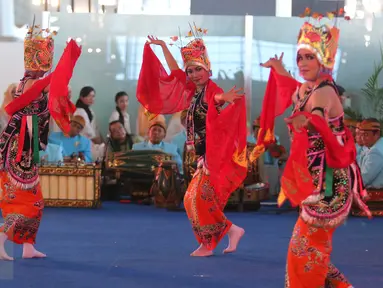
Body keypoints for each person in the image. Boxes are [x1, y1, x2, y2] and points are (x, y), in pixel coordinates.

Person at [252, 10, 371, 287]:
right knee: (311, 244)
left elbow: (317, 113)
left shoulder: (323, 92)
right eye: (300, 57)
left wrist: (310, 120)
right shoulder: (307, 88)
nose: (303, 63)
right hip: (315, 177)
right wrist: (279, 69)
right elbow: (294, 89)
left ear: (324, 60)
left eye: (310, 57)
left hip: (331, 181)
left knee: (304, 246)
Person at [136, 27, 248, 257]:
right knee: (192, 199)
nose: (194, 74)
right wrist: (164, 47)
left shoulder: (211, 89)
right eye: (191, 71)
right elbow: (174, 70)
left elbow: (214, 98)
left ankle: (210, 242)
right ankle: (231, 230)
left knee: (195, 199)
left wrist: (223, 98)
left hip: (213, 155)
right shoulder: (192, 90)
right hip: (202, 155)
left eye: (199, 69)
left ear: (208, 69)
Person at [0, 23, 81, 261]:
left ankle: (28, 246)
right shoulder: (35, 84)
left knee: (34, 198)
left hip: (25, 141)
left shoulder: (28, 83)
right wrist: (70, 55)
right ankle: (3, 237)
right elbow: (60, 80)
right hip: (22, 145)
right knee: (26, 200)